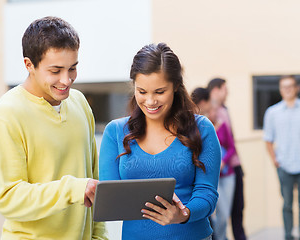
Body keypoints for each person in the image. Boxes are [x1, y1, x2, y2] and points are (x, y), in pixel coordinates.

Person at [0, 16, 107, 240]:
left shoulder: (79, 103)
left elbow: (93, 182)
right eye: (56, 70)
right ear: (29, 65)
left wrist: (100, 237)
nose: (67, 80)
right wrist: (73, 189)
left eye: (72, 68)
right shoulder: (5, 115)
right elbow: (8, 198)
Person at [99, 43, 221, 240]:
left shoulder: (202, 128)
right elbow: (110, 197)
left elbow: (207, 193)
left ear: (176, 87)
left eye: (159, 91)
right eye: (142, 91)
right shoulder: (115, 132)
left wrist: (183, 214)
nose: (150, 101)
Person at [207, 78, 247, 240]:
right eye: (225, 89)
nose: (227, 92)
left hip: (229, 171)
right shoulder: (204, 125)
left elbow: (231, 145)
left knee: (236, 209)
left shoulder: (224, 116)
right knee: (220, 214)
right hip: (215, 175)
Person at [263, 75, 300, 240]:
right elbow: (268, 139)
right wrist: (275, 161)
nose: (288, 90)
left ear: (296, 88)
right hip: (284, 166)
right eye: (284, 87)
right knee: (286, 204)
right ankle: (288, 235)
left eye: (290, 86)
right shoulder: (272, 112)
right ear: (280, 90)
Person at [208, 103, 236, 240]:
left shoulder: (223, 126)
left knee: (225, 214)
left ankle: (221, 236)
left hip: (228, 175)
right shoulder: (204, 128)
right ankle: (220, 237)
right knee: (221, 212)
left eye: (214, 110)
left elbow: (232, 148)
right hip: (214, 178)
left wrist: (223, 161)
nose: (212, 113)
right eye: (210, 110)